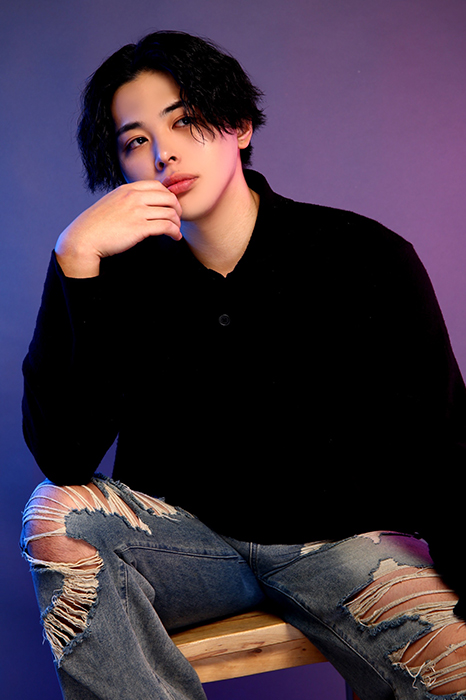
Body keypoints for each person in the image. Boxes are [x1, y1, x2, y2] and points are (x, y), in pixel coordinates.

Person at [21, 30, 466, 700]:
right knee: (54, 512)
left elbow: (444, 447)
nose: (163, 153)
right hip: (189, 550)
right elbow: (63, 454)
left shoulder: (362, 255)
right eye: (135, 140)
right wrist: (75, 262)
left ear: (239, 125)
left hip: (340, 545)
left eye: (185, 121)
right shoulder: (113, 274)